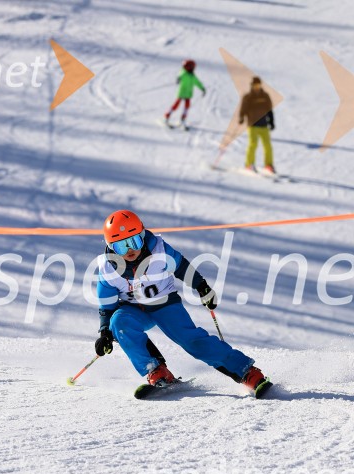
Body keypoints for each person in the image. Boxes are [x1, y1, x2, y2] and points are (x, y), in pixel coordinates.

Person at [93, 210, 272, 397]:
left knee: (191, 340)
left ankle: (246, 372)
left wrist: (202, 287)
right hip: (134, 310)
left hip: (164, 304)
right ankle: (156, 370)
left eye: (134, 241)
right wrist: (105, 332)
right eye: (121, 246)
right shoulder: (107, 269)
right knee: (119, 323)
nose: (130, 250)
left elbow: (182, 267)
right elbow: (107, 304)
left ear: (143, 235)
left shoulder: (159, 250)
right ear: (111, 247)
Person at [239, 76, 275, 174]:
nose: (257, 87)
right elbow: (243, 108)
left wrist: (271, 122)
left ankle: (269, 165)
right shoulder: (248, 97)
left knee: (267, 146)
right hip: (253, 124)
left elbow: (269, 110)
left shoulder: (265, 96)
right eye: (255, 85)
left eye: (258, 85)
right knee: (253, 144)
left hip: (264, 124)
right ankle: (249, 164)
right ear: (252, 85)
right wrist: (241, 117)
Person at [164, 59, 205, 130]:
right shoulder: (184, 73)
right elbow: (180, 74)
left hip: (188, 94)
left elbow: (197, 82)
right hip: (182, 93)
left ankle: (183, 120)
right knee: (176, 105)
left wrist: (202, 88)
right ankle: (167, 116)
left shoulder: (192, 76)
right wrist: (178, 78)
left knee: (187, 107)